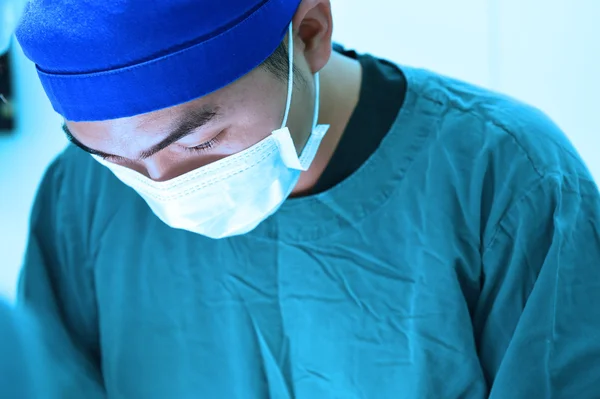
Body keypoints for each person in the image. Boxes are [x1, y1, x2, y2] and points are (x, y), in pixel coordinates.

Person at [13, 0, 600, 397]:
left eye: (200, 143)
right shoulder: (79, 194)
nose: (165, 190)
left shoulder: (506, 174)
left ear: (310, 33)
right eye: (116, 161)